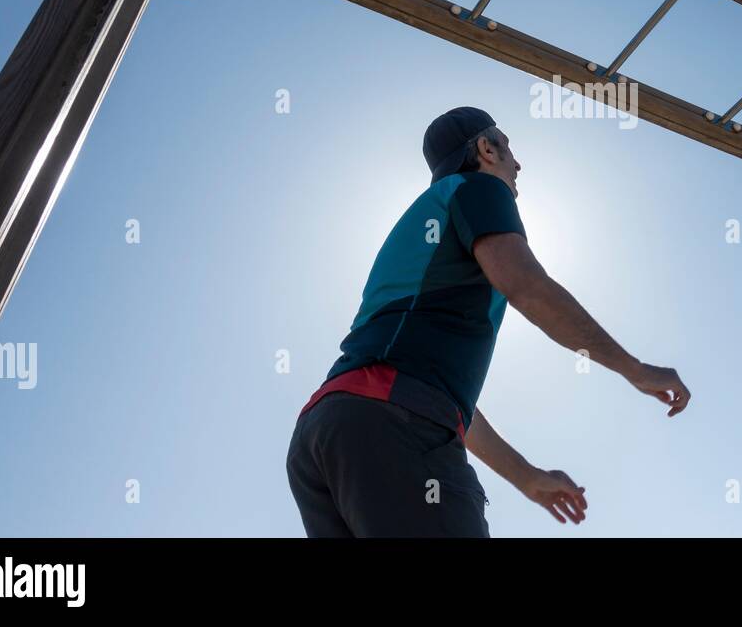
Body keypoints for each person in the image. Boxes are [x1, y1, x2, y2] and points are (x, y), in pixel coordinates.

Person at [286, 106, 691, 537]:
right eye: (509, 148)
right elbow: (528, 287)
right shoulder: (477, 189)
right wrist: (636, 369)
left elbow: (440, 399)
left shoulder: (422, 231)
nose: (518, 164)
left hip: (326, 432)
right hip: (391, 424)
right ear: (486, 148)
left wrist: (526, 477)